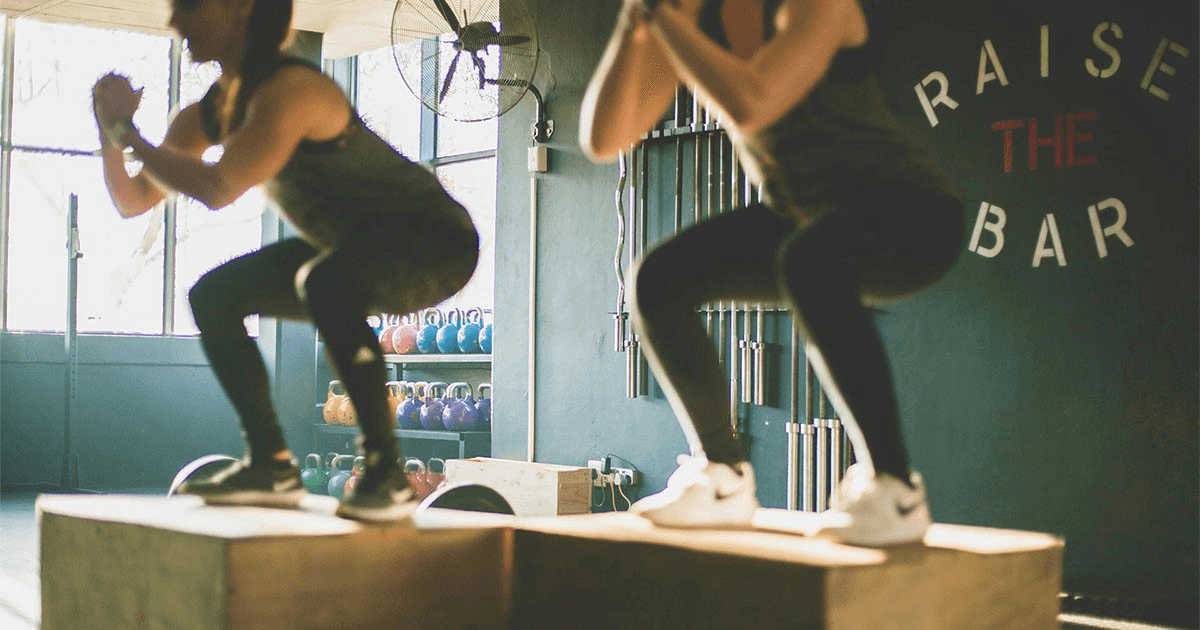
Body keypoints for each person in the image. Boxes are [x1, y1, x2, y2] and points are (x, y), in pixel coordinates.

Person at [580, 0, 964, 545]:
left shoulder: (815, 6)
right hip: (803, 220)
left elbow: (752, 101)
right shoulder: (693, 25)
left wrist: (664, 21)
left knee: (810, 259)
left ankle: (895, 489)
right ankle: (722, 476)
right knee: (659, 279)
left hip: (911, 212)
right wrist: (634, 25)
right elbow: (605, 139)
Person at [91, 0, 479, 522]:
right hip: (347, 247)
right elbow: (133, 199)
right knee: (214, 296)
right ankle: (271, 465)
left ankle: (386, 476)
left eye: (189, 6)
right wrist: (112, 131)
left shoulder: (294, 89)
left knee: (325, 282)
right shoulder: (210, 112)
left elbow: (219, 186)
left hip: (435, 241)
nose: (175, 21)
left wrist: (131, 136)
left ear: (239, 10)